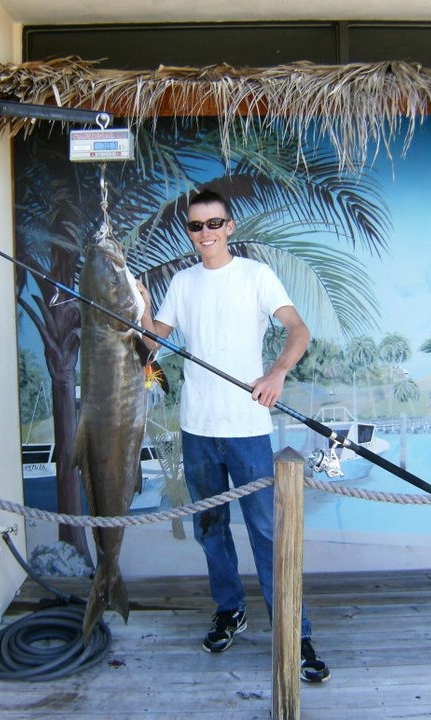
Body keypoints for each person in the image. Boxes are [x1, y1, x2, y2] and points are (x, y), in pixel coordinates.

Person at [138, 188, 330, 683]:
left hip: (246, 430)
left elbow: (299, 329)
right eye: (196, 226)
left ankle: (296, 631)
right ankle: (230, 610)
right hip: (197, 428)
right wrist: (140, 309)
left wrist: (276, 373)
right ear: (189, 232)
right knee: (210, 530)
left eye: (214, 223)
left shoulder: (256, 276)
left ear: (230, 227)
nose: (206, 234)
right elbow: (150, 344)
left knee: (268, 533)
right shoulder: (181, 282)